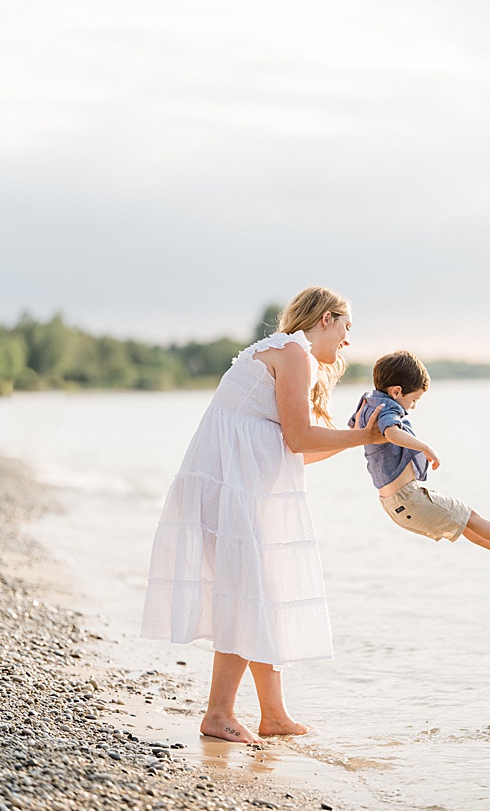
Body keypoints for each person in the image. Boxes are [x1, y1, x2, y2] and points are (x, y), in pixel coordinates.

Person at [141, 286, 383, 744]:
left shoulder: (282, 352)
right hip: (230, 488)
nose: (348, 341)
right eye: (347, 327)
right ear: (326, 319)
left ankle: (273, 715)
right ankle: (219, 713)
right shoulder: (294, 351)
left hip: (229, 483)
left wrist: (357, 436)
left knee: (257, 593)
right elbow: (297, 437)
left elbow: (296, 451)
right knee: (245, 592)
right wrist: (363, 437)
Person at [348, 350, 490, 563]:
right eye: (414, 399)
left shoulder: (368, 402)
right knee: (470, 517)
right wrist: (425, 447)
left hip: (394, 504)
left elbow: (353, 427)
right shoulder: (387, 408)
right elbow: (392, 433)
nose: (413, 406)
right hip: (408, 499)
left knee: (462, 520)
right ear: (396, 391)